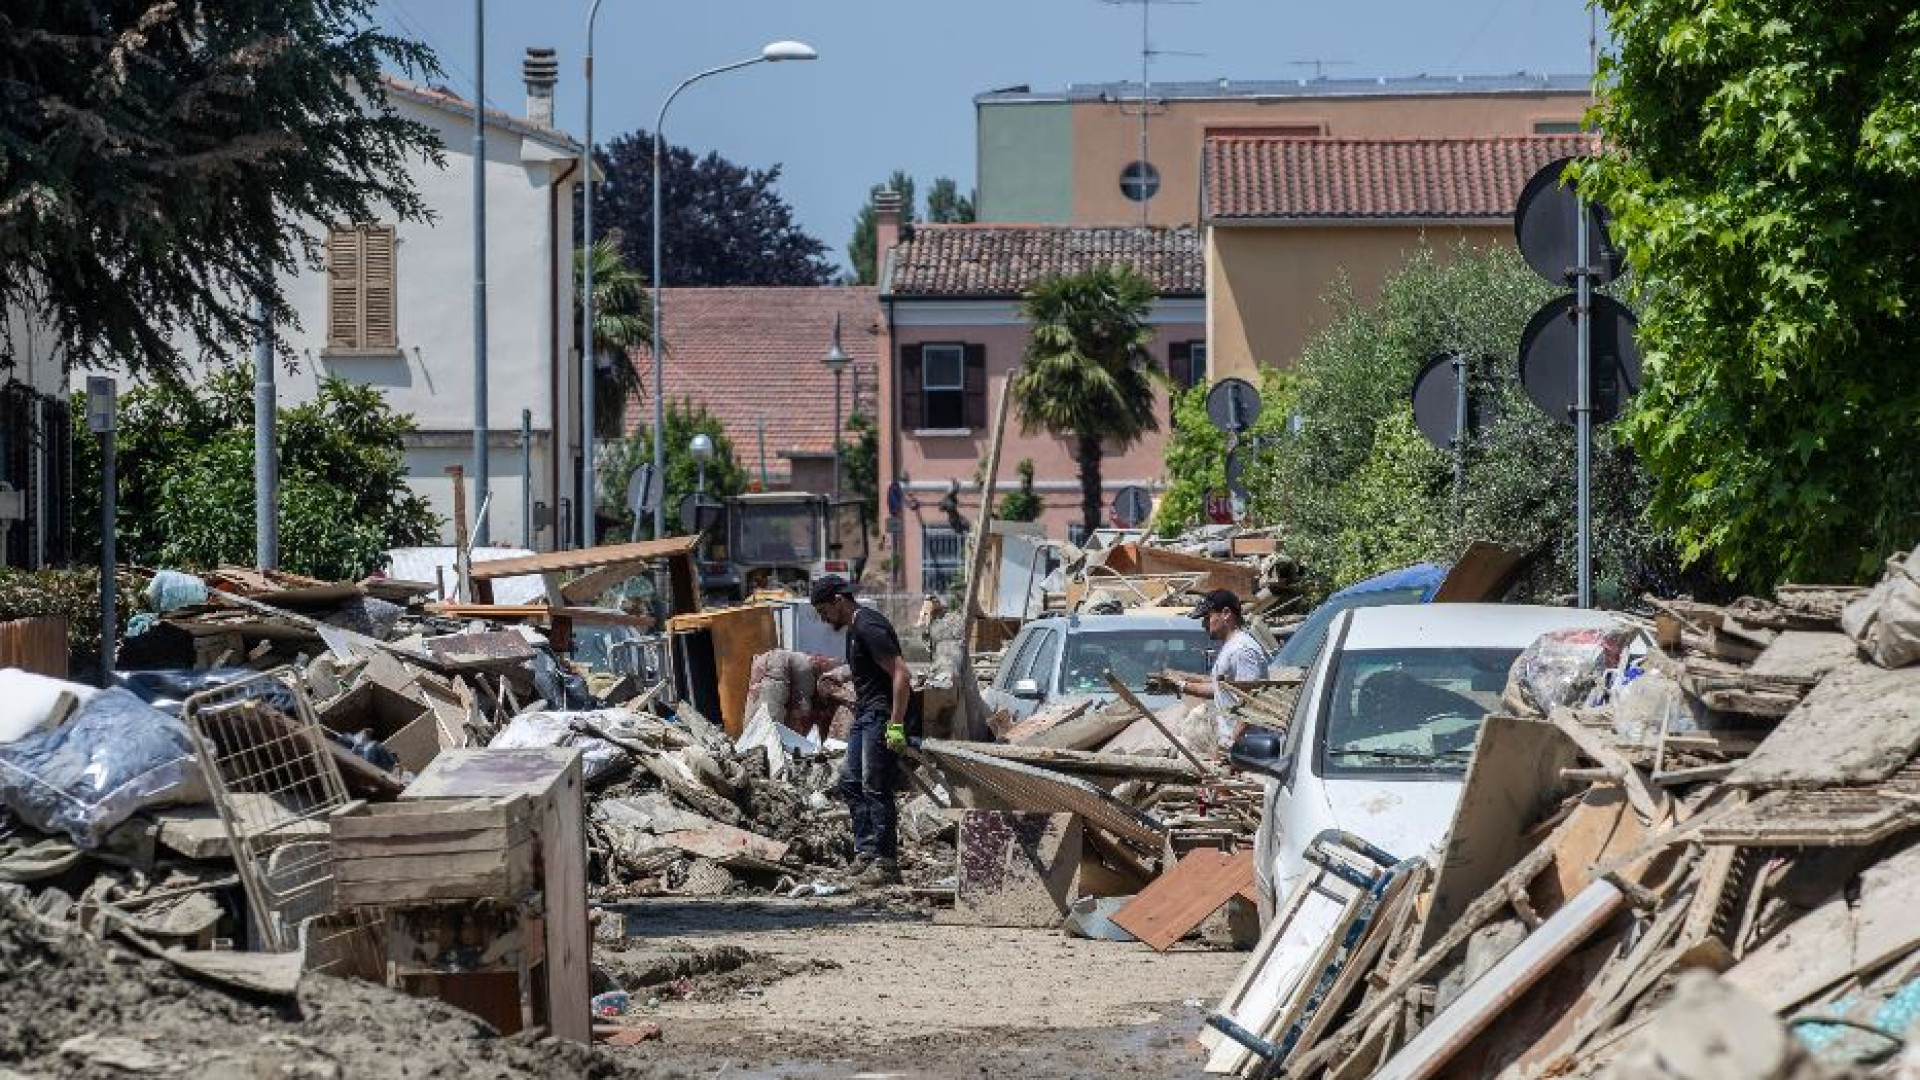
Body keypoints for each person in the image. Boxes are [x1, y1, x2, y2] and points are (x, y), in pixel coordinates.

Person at [810, 575, 912, 886]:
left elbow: (901, 674)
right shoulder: (855, 629)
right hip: (865, 713)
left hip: (881, 716)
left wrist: (895, 724)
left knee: (875, 786)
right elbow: (869, 671)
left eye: (824, 611)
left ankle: (886, 863)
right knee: (850, 782)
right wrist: (841, 679)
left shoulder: (869, 626)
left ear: (838, 600)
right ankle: (867, 853)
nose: (824, 619)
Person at [1163, 589, 1270, 747]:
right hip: (1234, 743)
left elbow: (1251, 702)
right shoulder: (1231, 647)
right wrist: (1180, 685)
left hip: (1248, 746)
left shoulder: (1242, 650)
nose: (1203, 624)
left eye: (1207, 617)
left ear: (1226, 613)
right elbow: (1220, 690)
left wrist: (1235, 747)